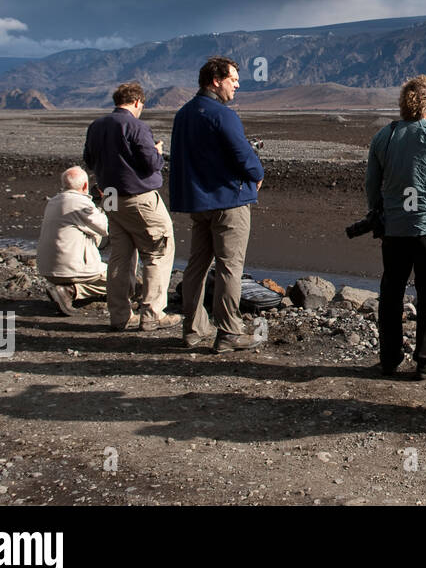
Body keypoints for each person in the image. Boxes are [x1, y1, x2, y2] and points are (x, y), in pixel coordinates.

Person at [169, 56, 265, 353]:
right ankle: (229, 332)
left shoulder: (184, 114)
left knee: (197, 265)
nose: (237, 84)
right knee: (229, 267)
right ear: (216, 80)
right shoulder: (223, 115)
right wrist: (257, 174)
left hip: (199, 203)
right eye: (233, 79)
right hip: (228, 201)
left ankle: (193, 329)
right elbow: (243, 156)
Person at [365, 75, 426, 378]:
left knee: (391, 292)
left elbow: (372, 185)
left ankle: (389, 359)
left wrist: (376, 213)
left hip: (395, 230)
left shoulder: (384, 136)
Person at [83, 81, 179, 332]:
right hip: (138, 197)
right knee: (158, 251)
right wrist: (157, 152)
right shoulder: (136, 126)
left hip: (111, 196)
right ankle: (152, 314)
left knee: (120, 256)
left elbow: (89, 161)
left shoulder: (97, 126)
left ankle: (119, 315)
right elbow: (150, 164)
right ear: (137, 102)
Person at [37, 167, 109, 316]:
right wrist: (106, 204)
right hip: (70, 269)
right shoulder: (80, 203)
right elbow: (106, 228)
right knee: (125, 281)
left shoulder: (53, 201)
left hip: (47, 269)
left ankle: (66, 288)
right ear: (84, 186)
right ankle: (70, 291)